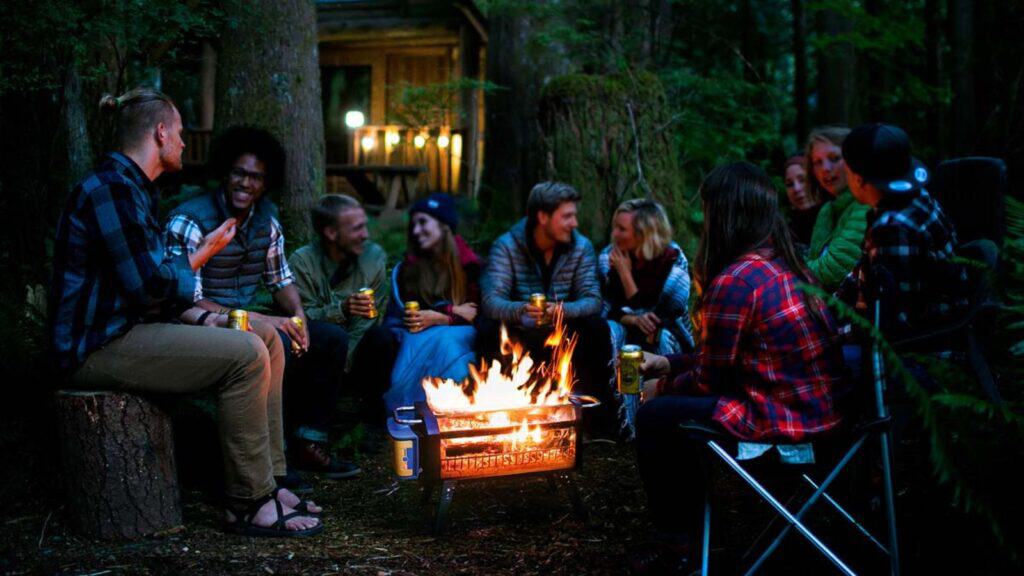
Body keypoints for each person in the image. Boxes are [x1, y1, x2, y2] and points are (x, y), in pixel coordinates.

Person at [50, 87, 322, 537]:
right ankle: (248, 502)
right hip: (95, 346)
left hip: (130, 331)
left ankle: (271, 480)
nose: (181, 142)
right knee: (245, 354)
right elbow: (149, 285)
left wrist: (208, 317)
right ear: (159, 133)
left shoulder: (135, 190)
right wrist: (203, 252)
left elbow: (157, 294)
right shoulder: (110, 190)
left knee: (268, 339)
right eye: (178, 133)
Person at [630, 162, 844, 573]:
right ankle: (700, 535)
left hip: (785, 423)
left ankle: (682, 547)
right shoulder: (785, 263)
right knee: (675, 408)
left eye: (709, 211)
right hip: (826, 412)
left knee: (658, 417)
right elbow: (738, 357)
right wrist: (669, 362)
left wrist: (667, 383)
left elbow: (713, 380)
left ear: (725, 215)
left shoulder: (736, 280)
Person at [165, 126, 357, 480]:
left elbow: (280, 279)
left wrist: (298, 316)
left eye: (256, 177)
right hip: (202, 325)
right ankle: (271, 459)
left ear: (266, 183)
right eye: (239, 173)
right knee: (276, 340)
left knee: (329, 339)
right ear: (226, 172)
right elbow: (184, 299)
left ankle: (308, 443)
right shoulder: (190, 220)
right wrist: (267, 322)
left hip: (249, 319)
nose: (246, 183)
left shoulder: (266, 222)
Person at [480, 182, 613, 432]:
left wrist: (561, 310)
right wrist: (521, 310)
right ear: (543, 217)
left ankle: (592, 422)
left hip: (562, 328)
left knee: (596, 326)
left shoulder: (580, 247)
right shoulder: (507, 246)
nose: (574, 223)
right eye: (567, 216)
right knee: (489, 328)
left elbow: (593, 299)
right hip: (521, 328)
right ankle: (503, 417)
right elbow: (491, 301)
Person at [837, 123, 969, 346]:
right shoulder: (916, 197)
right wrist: (828, 304)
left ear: (858, 179)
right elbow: (863, 272)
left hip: (925, 349)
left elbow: (892, 322)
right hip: (928, 327)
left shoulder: (893, 230)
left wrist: (833, 333)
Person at [289, 194, 390, 421]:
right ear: (331, 233)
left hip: (353, 353)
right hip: (315, 351)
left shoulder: (372, 260)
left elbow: (371, 318)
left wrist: (344, 365)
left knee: (382, 337)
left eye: (364, 226)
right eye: (357, 229)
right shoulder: (302, 262)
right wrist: (341, 310)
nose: (366, 234)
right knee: (329, 335)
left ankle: (369, 420)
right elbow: (301, 319)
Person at [598, 199, 694, 437]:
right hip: (628, 332)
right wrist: (631, 319)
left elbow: (662, 312)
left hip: (668, 334)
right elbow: (606, 305)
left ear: (643, 234)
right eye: (615, 227)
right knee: (612, 332)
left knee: (661, 339)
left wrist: (625, 274)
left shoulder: (673, 263)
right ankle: (629, 423)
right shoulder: (609, 257)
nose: (615, 234)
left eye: (622, 229)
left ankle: (664, 421)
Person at [381, 194, 482, 411]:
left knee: (449, 343)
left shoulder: (470, 265)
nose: (416, 230)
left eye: (423, 222)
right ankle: (418, 411)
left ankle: (456, 407)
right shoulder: (409, 268)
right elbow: (411, 315)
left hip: (461, 335)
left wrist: (442, 317)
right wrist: (452, 311)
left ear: (444, 225)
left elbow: (477, 313)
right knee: (432, 342)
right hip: (416, 335)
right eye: (414, 224)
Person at [804, 126, 869, 290]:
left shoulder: (865, 203)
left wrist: (781, 269)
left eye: (834, 158)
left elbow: (832, 269)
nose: (825, 168)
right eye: (817, 162)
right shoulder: (827, 210)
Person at [782, 154, 823, 247]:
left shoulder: (839, 219)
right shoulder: (786, 233)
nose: (796, 188)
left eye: (802, 180)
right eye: (789, 184)